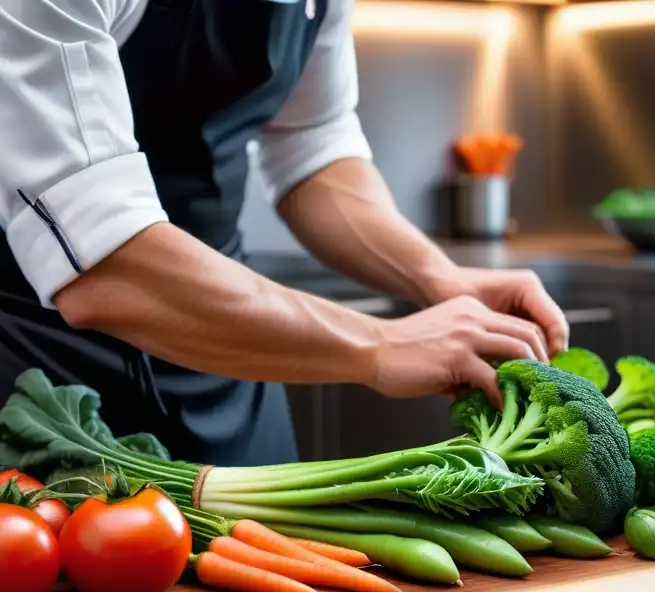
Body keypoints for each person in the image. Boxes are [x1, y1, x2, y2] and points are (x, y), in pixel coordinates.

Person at [0, 0, 568, 466]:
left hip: (230, 357)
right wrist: (379, 343)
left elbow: (314, 147)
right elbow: (103, 263)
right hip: (39, 368)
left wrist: (438, 277)